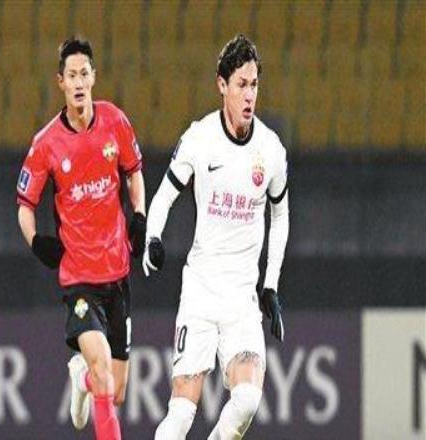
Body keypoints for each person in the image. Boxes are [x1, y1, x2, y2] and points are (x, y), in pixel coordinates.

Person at [143, 34, 289, 439]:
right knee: (180, 416)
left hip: (242, 299)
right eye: (241, 84)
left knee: (247, 400)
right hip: (202, 294)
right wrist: (153, 237)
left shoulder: (271, 150)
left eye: (254, 84)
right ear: (222, 85)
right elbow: (163, 197)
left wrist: (271, 285)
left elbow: (280, 215)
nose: (249, 95)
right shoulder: (199, 139)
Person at [16, 36, 146, 440]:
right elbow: (24, 204)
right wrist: (36, 241)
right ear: (61, 82)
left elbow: (134, 173)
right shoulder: (46, 144)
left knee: (115, 389)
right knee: (104, 368)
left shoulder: (115, 122)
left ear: (93, 78)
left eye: (83, 74)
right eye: (70, 75)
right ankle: (92, 374)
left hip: (117, 271)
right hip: (79, 279)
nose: (77, 82)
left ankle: (81, 378)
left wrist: (140, 214)